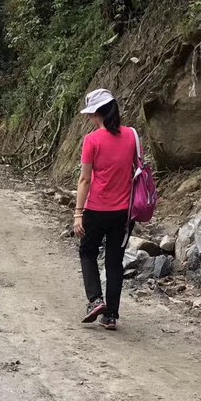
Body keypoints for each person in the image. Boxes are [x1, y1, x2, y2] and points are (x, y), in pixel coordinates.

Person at [73, 88, 137, 330]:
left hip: (97, 210)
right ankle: (110, 315)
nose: (89, 118)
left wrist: (78, 213)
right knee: (114, 261)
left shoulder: (92, 140)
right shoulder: (132, 135)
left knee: (87, 252)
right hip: (124, 213)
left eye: (90, 114)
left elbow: (85, 180)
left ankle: (95, 300)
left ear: (98, 113)